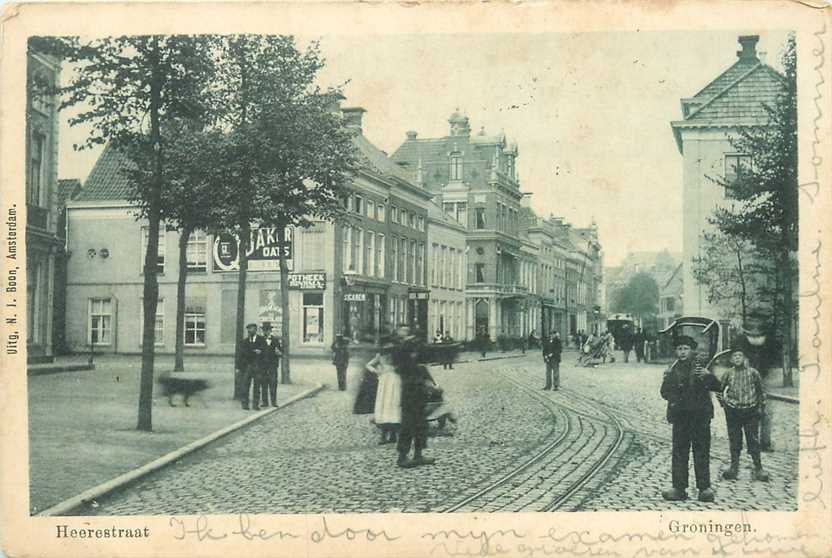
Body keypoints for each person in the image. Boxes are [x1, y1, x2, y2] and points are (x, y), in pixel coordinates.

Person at [660, 336, 721, 502]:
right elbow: (664, 393)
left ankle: (704, 488)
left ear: (692, 350)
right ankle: (679, 488)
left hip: (700, 417)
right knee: (679, 452)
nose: (682, 352)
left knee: (701, 452)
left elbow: (717, 387)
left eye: (685, 348)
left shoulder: (701, 367)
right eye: (679, 349)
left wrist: (708, 376)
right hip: (681, 417)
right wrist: (667, 381)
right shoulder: (673, 369)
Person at [718, 347, 770, 482]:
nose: (737, 358)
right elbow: (719, 390)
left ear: (745, 358)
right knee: (735, 439)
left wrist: (761, 407)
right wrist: (724, 404)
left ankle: (758, 468)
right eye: (734, 356)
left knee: (753, 439)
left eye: (740, 356)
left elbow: (761, 391)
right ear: (731, 359)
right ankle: (734, 467)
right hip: (733, 412)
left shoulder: (753, 373)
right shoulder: (728, 374)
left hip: (751, 411)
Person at [394, 337, 435, 468]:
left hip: (419, 400)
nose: (416, 353)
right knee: (407, 428)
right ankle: (402, 457)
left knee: (421, 427)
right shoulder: (405, 365)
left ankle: (418, 455)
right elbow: (411, 381)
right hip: (410, 401)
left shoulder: (415, 364)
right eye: (414, 350)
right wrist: (424, 383)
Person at [369, 345, 401, 444]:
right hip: (385, 382)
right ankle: (385, 435)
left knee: (393, 405)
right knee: (384, 405)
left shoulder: (396, 355)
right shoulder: (380, 356)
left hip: (395, 381)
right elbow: (369, 365)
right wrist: (377, 371)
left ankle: (392, 435)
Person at [237, 323, 266, 410]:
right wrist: (238, 367)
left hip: (258, 366)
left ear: (255, 330)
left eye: (252, 329)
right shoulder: (244, 341)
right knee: (245, 385)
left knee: (257, 386)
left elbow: (265, 352)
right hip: (247, 367)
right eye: (249, 329)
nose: (250, 331)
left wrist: (260, 352)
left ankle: (255, 405)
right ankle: (245, 404)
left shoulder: (261, 340)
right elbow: (241, 355)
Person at [260, 323, 282, 408]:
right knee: (264, 384)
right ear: (263, 331)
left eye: (268, 330)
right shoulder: (260, 340)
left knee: (273, 383)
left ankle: (274, 402)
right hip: (263, 366)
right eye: (264, 330)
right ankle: (265, 402)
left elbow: (280, 351)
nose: (266, 332)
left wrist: (279, 352)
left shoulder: (275, 340)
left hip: (272, 366)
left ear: (270, 331)